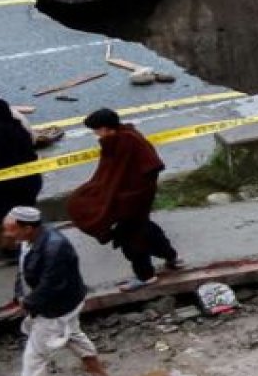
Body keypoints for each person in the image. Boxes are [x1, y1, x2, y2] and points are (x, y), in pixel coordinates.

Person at [67, 109, 182, 292]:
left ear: (105, 128)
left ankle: (146, 276)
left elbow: (149, 167)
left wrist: (126, 197)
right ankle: (171, 257)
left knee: (131, 238)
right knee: (146, 229)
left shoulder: (126, 142)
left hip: (132, 199)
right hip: (132, 198)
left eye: (96, 130)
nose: (96, 135)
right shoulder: (123, 137)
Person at [5, 206, 114, 376]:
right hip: (61, 302)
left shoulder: (55, 248)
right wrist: (20, 296)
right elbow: (23, 271)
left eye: (11, 230)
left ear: (27, 228)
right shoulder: (29, 240)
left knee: (35, 355)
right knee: (73, 335)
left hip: (56, 308)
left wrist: (28, 303)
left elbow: (52, 285)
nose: (7, 234)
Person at [0, 98, 42, 261]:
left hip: (5, 189)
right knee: (19, 217)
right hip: (29, 181)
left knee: (7, 218)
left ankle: (11, 249)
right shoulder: (19, 127)